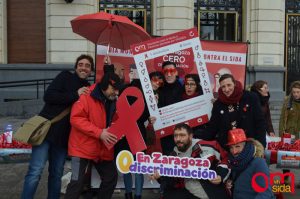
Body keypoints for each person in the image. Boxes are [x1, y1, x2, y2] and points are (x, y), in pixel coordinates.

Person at [21, 54, 94, 199]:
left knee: (57, 173)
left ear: (91, 71)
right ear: (76, 67)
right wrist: (75, 94)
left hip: (63, 138)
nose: (83, 68)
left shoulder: (88, 88)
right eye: (81, 64)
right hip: (46, 131)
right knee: (36, 171)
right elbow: (48, 96)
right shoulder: (64, 76)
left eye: (87, 66)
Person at [64, 72, 121, 199]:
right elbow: (75, 119)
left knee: (111, 178)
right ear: (105, 86)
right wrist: (100, 133)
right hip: (79, 149)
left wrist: (116, 131)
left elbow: (115, 120)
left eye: (118, 90)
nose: (116, 93)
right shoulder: (86, 96)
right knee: (76, 182)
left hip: (102, 148)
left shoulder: (114, 100)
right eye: (114, 89)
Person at [150, 123, 231, 199]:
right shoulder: (172, 157)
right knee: (168, 194)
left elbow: (226, 159)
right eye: (176, 136)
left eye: (182, 135)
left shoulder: (208, 146)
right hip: (190, 193)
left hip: (213, 192)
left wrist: (220, 176)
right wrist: (159, 176)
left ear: (190, 136)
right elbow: (170, 182)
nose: (178, 139)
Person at [195, 73, 267, 149]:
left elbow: (260, 122)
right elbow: (213, 128)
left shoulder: (250, 97)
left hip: (249, 145)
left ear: (234, 84)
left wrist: (261, 145)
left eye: (229, 85)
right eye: (223, 86)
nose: (226, 89)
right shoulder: (218, 104)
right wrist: (194, 135)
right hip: (228, 148)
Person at [226, 128, 275, 199]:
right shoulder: (235, 163)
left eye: (237, 146)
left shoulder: (258, 163)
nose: (234, 151)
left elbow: (265, 192)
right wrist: (230, 185)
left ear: (245, 146)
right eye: (231, 147)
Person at [158, 61, 184, 155]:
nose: (169, 74)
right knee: (169, 159)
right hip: (166, 132)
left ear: (176, 72)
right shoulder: (158, 88)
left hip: (183, 130)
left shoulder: (184, 86)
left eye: (171, 71)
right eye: (166, 71)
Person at [279, 80, 300, 184]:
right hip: (289, 133)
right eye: (294, 92)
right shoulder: (287, 101)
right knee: (286, 156)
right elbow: (283, 118)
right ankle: (286, 178)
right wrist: (282, 134)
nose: (296, 94)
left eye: (298, 92)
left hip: (299, 132)